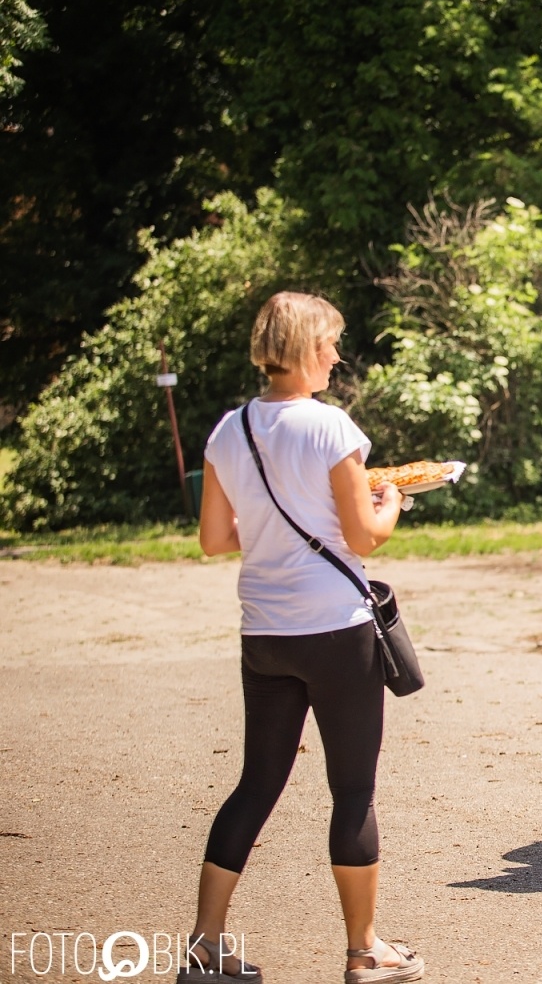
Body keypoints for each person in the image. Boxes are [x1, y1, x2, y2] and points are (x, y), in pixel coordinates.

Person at [191, 292, 424, 984]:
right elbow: (362, 538)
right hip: (335, 632)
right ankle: (364, 952)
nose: (335, 357)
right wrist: (392, 506)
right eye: (328, 344)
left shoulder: (228, 431)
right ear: (299, 349)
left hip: (263, 632)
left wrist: (269, 524)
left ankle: (205, 946)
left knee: (255, 785)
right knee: (352, 790)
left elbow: (212, 539)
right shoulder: (330, 428)